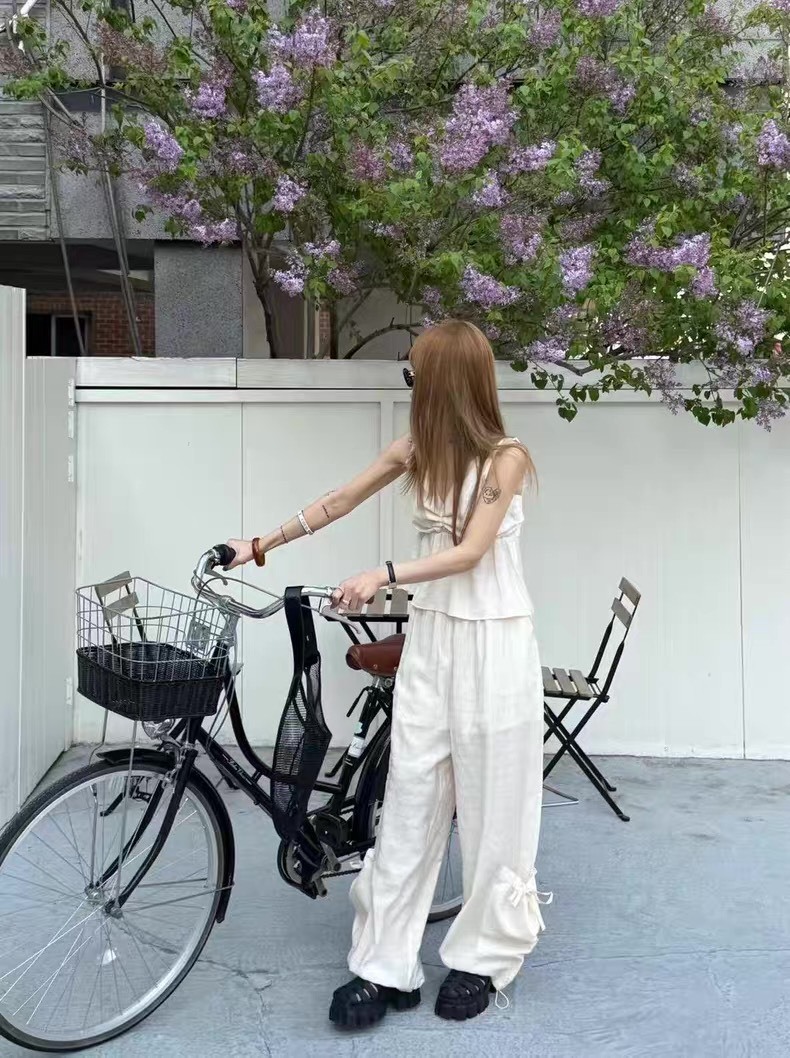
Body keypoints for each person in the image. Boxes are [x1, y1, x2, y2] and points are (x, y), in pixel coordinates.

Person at [226, 319, 549, 1028]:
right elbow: (340, 499)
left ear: (448, 380)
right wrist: (261, 544)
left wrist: (384, 573)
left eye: (415, 373)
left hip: (495, 642)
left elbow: (471, 551)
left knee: (495, 807)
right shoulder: (416, 451)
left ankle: (482, 958)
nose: (410, 384)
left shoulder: (507, 459)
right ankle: (384, 966)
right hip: (433, 640)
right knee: (408, 801)